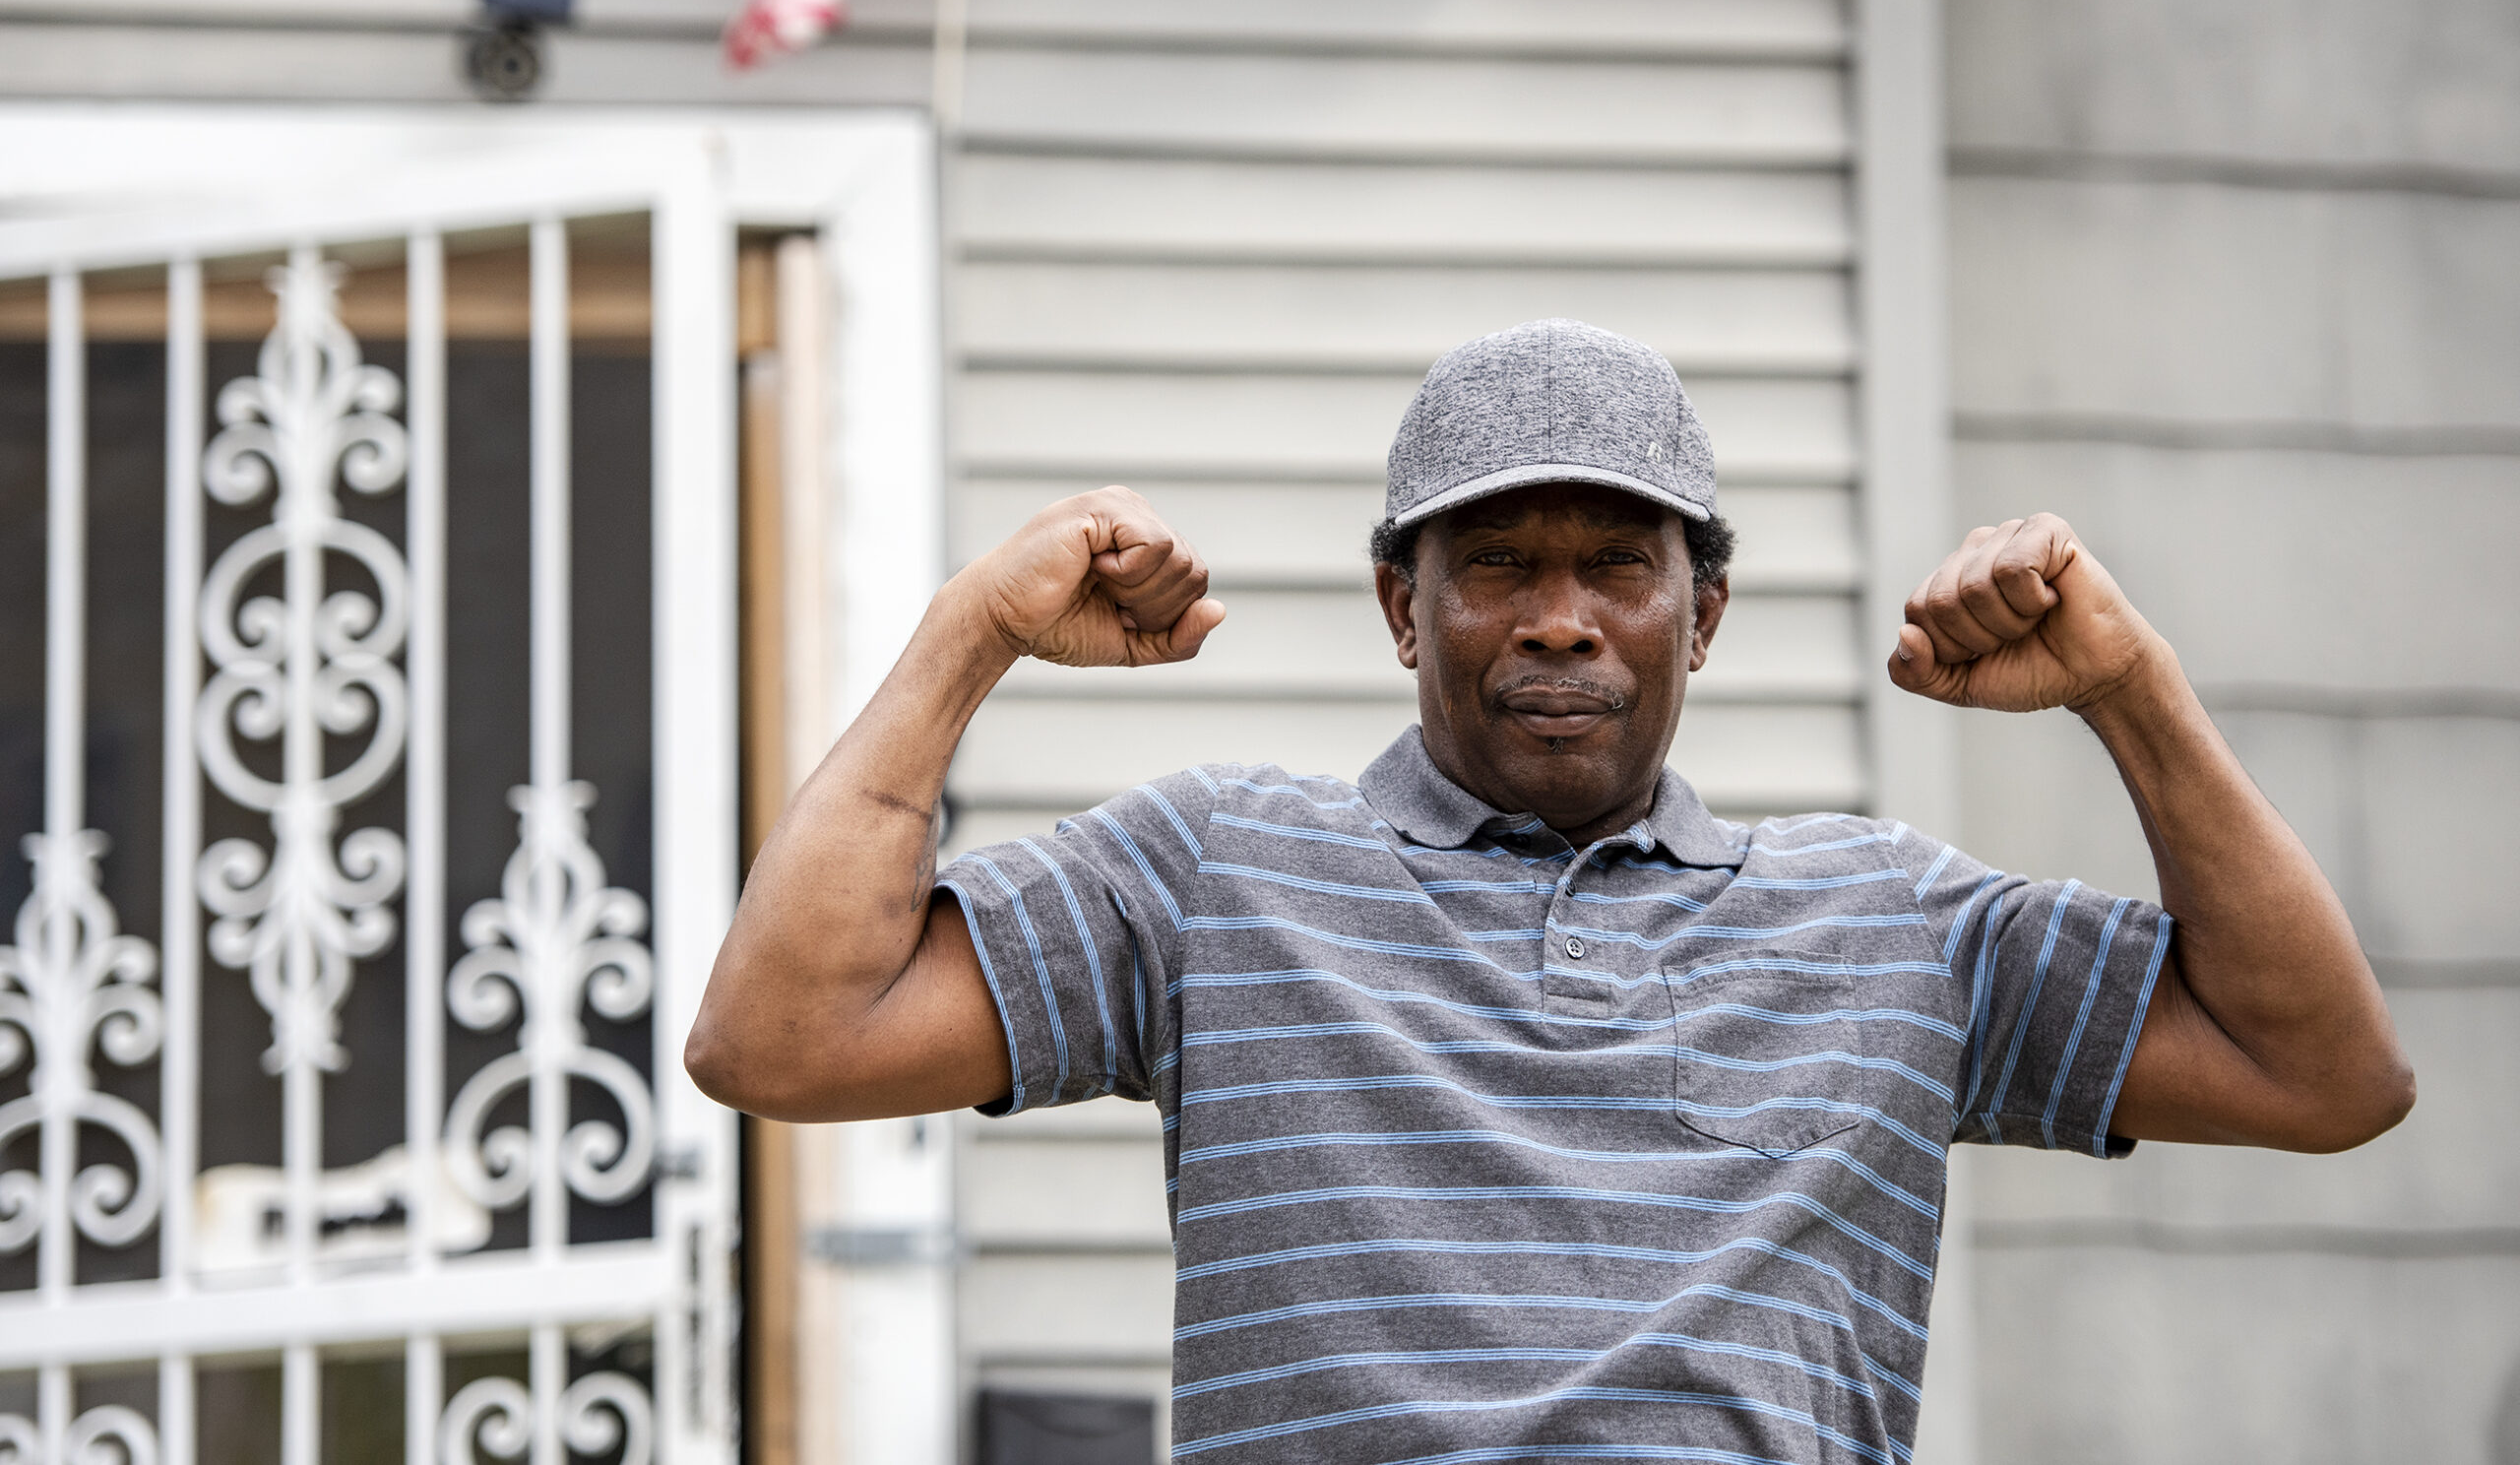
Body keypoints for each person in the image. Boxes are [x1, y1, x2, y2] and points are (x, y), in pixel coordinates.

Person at [689, 318, 2413, 1463]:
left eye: (1619, 565)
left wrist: (2131, 685)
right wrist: (969, 630)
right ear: (1401, 608)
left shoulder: (1892, 925)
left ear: (1705, 614)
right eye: (1497, 563)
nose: (1560, 616)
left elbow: (2323, 1074)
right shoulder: (1219, 875)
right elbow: (781, 1036)